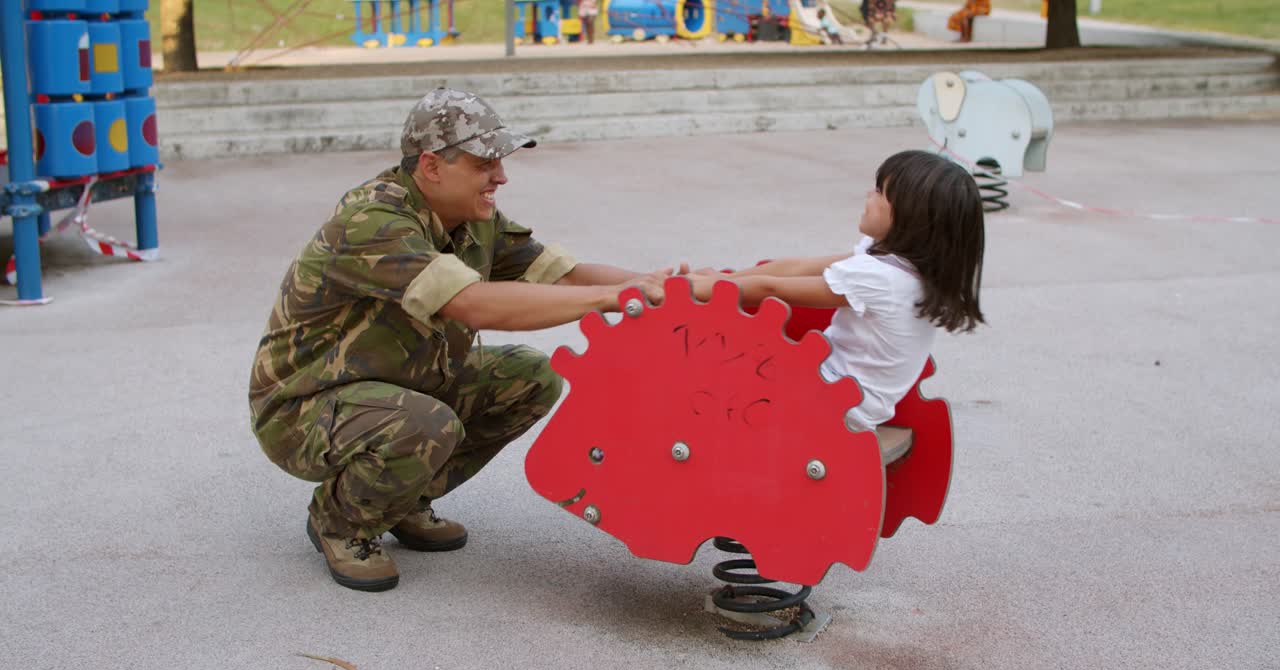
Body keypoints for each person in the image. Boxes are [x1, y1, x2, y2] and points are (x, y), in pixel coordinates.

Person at [249, 88, 670, 592]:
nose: (501, 176)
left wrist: (657, 289)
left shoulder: (471, 220)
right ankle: (340, 522)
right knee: (425, 425)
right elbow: (470, 302)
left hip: (393, 385)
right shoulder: (370, 223)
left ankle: (401, 500)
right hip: (304, 409)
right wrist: (608, 297)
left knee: (530, 377)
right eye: (484, 162)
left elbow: (562, 275)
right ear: (431, 165)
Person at [689, 150, 985, 432]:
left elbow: (773, 288)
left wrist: (699, 290)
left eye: (880, 192)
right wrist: (722, 279)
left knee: (715, 362)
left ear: (910, 216)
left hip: (838, 406)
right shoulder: (905, 267)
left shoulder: (880, 278)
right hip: (841, 392)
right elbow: (797, 267)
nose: (869, 196)